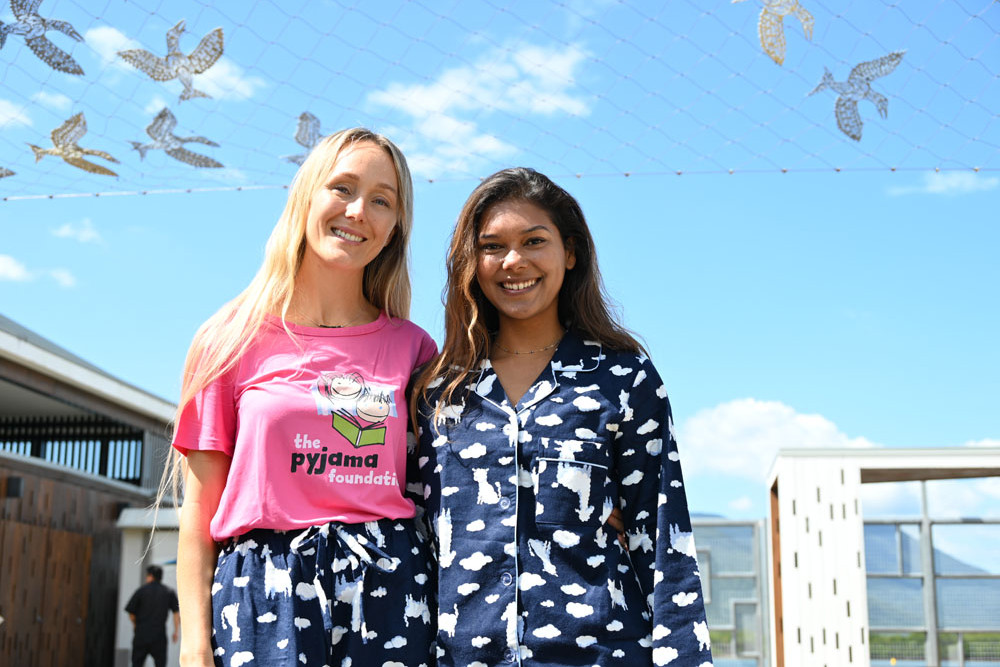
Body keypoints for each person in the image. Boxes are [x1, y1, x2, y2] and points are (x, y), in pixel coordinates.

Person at [413, 167, 714, 666]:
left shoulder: (623, 375)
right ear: (471, 260)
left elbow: (662, 536)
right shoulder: (437, 390)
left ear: (569, 253)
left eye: (534, 241)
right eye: (492, 246)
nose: (514, 261)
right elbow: (419, 539)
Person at [170, 128, 437, 667]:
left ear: (394, 229)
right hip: (261, 598)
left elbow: (445, 488)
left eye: (382, 200)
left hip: (388, 595)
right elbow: (198, 511)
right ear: (306, 196)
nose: (359, 210)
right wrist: (195, 645)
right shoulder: (227, 338)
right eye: (342, 188)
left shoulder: (415, 350)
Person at [125, 564, 180, 667]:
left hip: (141, 634)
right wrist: (176, 631)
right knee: (160, 664)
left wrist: (135, 625)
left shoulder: (141, 591)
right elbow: (176, 613)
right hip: (159, 636)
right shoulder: (168, 592)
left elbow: (131, 612)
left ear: (150, 576)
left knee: (137, 663)